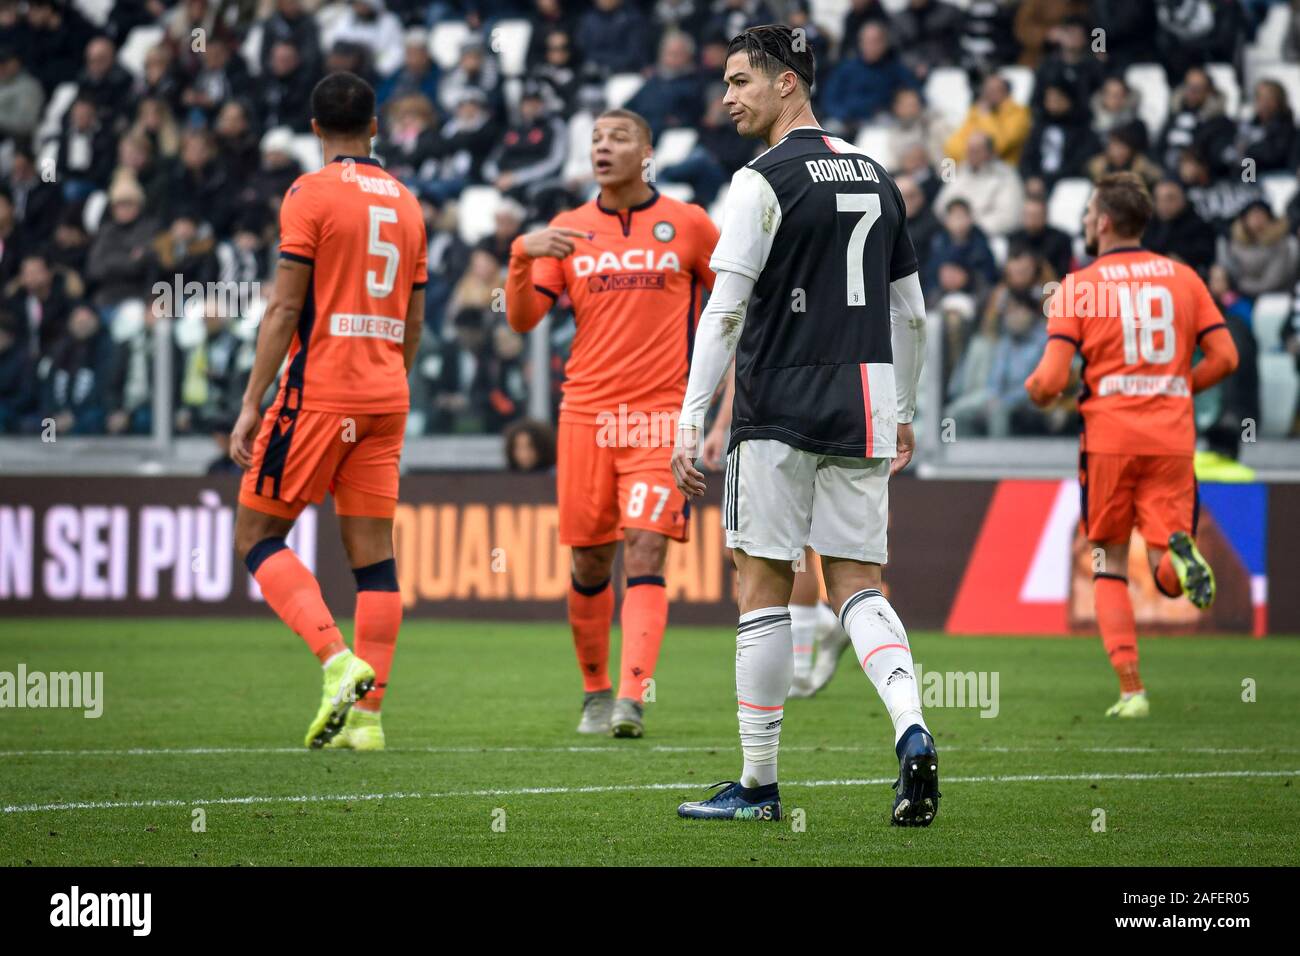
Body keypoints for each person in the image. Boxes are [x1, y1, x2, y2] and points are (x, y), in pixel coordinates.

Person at [670, 25, 936, 826]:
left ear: (788, 84)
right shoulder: (876, 174)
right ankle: (913, 730)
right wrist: (905, 411)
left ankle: (757, 787)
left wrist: (690, 420)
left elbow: (724, 312)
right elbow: (913, 315)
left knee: (762, 587)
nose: (727, 97)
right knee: (856, 583)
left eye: (740, 81)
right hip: (862, 399)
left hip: (778, 403)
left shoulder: (762, 180)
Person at [505, 108, 720, 739]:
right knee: (591, 563)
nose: (604, 147)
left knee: (646, 546)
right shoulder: (567, 230)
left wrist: (718, 405)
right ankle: (595, 691)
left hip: (658, 419)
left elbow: (734, 306)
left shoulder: (689, 225)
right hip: (586, 420)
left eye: (619, 137)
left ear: (647, 152)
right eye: (596, 139)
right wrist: (521, 255)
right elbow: (522, 320)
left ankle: (632, 698)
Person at [229, 72, 428, 752]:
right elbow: (415, 317)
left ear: (314, 129)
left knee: (256, 535)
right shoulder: (406, 202)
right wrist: (387, 383)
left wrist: (253, 402)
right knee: (374, 560)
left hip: (320, 391)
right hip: (385, 395)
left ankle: (336, 661)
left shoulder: (308, 193)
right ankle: (369, 722)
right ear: (375, 126)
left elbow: (286, 306)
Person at [1024, 172, 1239, 718]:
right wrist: (1174, 386)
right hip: (1170, 438)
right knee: (1166, 555)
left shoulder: (1080, 286)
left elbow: (1050, 381)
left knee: (1109, 562)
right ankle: (1179, 556)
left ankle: (1131, 690)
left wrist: (1039, 393)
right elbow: (1227, 358)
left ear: (1103, 222)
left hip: (1110, 441)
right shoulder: (1184, 278)